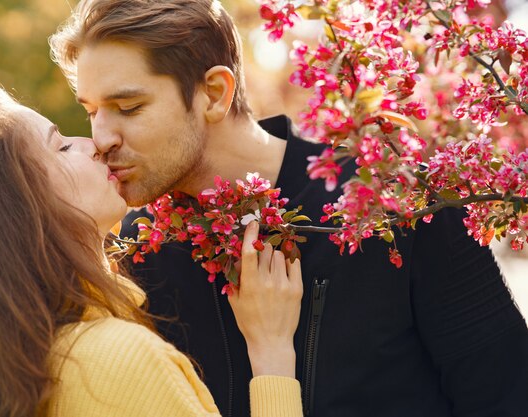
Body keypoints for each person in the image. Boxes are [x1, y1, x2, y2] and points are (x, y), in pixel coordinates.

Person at [50, 1, 528, 416]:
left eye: (128, 107)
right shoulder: (135, 251)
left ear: (214, 93)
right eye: (92, 111)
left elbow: (506, 398)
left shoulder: (395, 201)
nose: (101, 138)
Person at [0, 84, 305, 417]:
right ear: (15, 209)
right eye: (60, 147)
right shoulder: (116, 363)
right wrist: (271, 353)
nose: (94, 144)